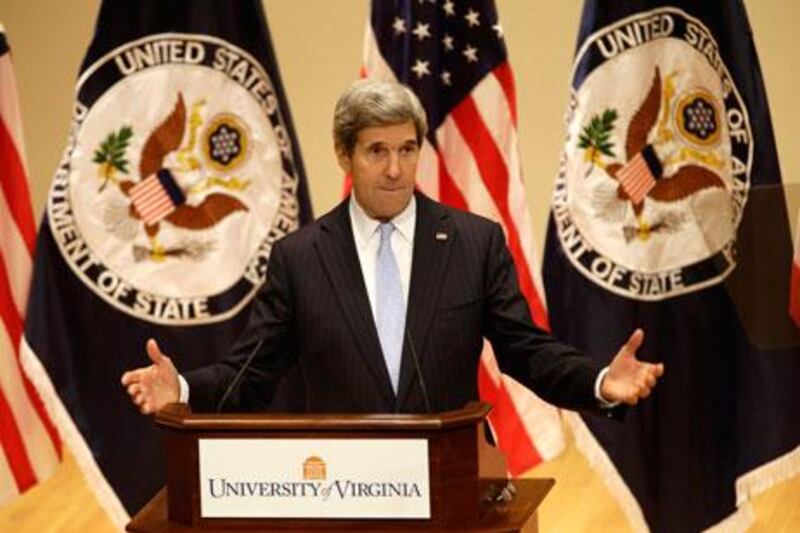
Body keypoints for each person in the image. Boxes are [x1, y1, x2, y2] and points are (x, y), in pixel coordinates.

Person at [121, 79, 663, 416]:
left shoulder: (474, 243)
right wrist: (185, 389)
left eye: (407, 148)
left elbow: (527, 352)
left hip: (452, 477)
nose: (396, 169)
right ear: (344, 155)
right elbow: (250, 375)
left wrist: (598, 380)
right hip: (341, 492)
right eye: (377, 151)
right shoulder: (301, 259)